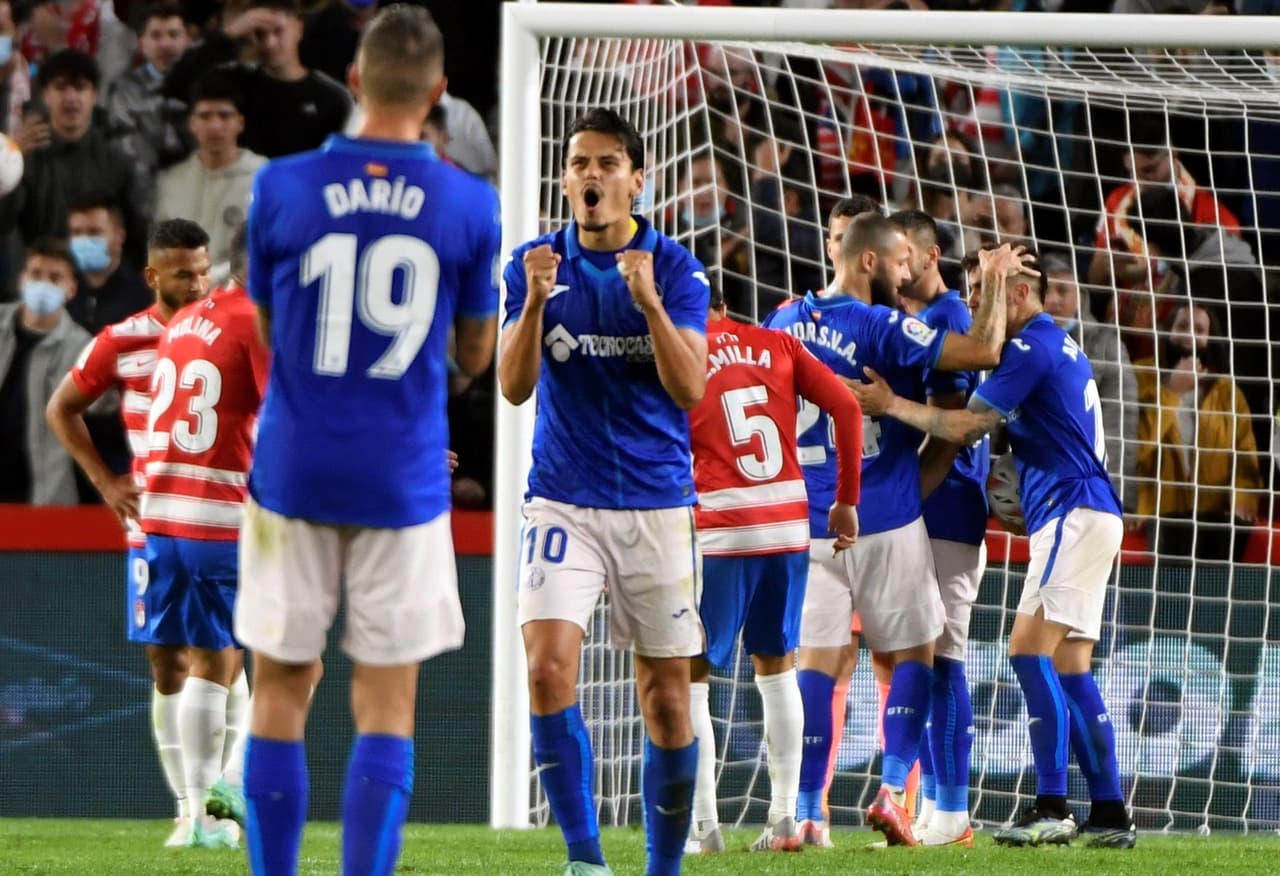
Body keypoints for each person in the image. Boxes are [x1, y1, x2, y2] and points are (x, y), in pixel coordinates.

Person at [233, 8, 499, 876]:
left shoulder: (280, 185)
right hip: (405, 476)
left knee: (277, 687)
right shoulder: (470, 200)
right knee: (386, 700)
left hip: (293, 470)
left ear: (352, 78)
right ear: (439, 94)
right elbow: (474, 353)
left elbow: (269, 328)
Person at [850, 244, 1137, 849]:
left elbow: (965, 426)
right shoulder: (1054, 346)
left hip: (1073, 513)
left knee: (1026, 652)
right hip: (1086, 513)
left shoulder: (1029, 350)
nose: (973, 300)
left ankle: (1052, 805)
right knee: (1072, 667)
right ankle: (1111, 811)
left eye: (983, 288)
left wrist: (890, 404)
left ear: (1021, 292)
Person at [499, 107, 710, 876]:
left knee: (666, 700)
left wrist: (648, 303)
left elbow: (689, 389)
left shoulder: (678, 269)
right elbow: (513, 388)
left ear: (636, 179)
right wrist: (530, 304)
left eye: (608, 163)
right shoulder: (531, 263)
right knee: (548, 668)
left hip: (656, 504)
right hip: (562, 497)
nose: (593, 175)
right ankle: (586, 861)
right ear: (566, 177)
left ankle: (662, 869)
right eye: (580, 163)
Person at [762, 212, 1006, 848]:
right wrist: (997, 281)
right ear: (869, 262)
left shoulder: (783, 321)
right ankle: (894, 788)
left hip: (812, 522)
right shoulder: (879, 324)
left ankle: (806, 813)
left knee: (815, 665)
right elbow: (981, 352)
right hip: (885, 515)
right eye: (899, 260)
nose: (907, 272)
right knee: (916, 655)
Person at [46, 218, 214, 847]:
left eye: (202, 271)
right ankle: (186, 806)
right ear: (152, 276)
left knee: (218, 655)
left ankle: (214, 806)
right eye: (182, 274)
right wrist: (108, 482)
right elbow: (60, 408)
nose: (197, 283)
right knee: (166, 661)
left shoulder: (231, 331)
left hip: (224, 514)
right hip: (153, 521)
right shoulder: (123, 341)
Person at [685, 284, 862, 854]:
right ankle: (785, 819)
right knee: (777, 666)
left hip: (719, 524)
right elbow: (848, 406)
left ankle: (703, 828)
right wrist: (845, 500)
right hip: (788, 522)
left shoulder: (681, 350)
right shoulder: (779, 344)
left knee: (690, 675)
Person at [139, 221, 264, 849]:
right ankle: (220, 804)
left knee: (205, 664)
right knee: (258, 664)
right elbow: (288, 418)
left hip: (162, 515)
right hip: (219, 513)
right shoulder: (255, 321)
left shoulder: (186, 320)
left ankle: (197, 817)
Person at [890, 209, 990, 846]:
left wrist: (905, 501)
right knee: (922, 658)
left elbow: (952, 435)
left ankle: (953, 811)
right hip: (929, 510)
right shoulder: (922, 322)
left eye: (903, 257)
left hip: (947, 506)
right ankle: (933, 809)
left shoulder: (951, 319)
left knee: (945, 659)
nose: (894, 269)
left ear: (930, 258)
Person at [1134, 303, 1263, 562]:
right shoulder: (1140, 376)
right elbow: (1136, 449)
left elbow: (1245, 456)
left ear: (1210, 339)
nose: (1190, 335)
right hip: (1158, 515)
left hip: (1216, 519)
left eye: (1199, 329)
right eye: (1182, 326)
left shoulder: (1228, 392)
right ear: (1167, 331)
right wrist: (1172, 393)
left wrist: (1243, 498)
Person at [0, 238, 91, 504]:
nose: (43, 284)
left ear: (71, 289)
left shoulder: (82, 347)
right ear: (21, 279)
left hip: (40, 493)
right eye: (36, 274)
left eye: (55, 278)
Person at [154, 70, 266, 284]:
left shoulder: (263, 177)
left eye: (224, 115)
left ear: (240, 123)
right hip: (181, 305)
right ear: (192, 123)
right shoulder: (171, 181)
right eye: (205, 116)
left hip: (238, 303)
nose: (215, 126)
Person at [221, 0, 352, 158]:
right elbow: (185, 82)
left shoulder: (332, 97)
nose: (270, 43)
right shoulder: (236, 86)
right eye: (260, 33)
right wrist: (228, 35)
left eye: (278, 31)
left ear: (298, 29)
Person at [104, 1, 191, 176]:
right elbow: (123, 147)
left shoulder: (203, 83)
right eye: (156, 36)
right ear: (142, 42)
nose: (165, 44)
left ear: (188, 40)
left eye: (174, 35)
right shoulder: (124, 89)